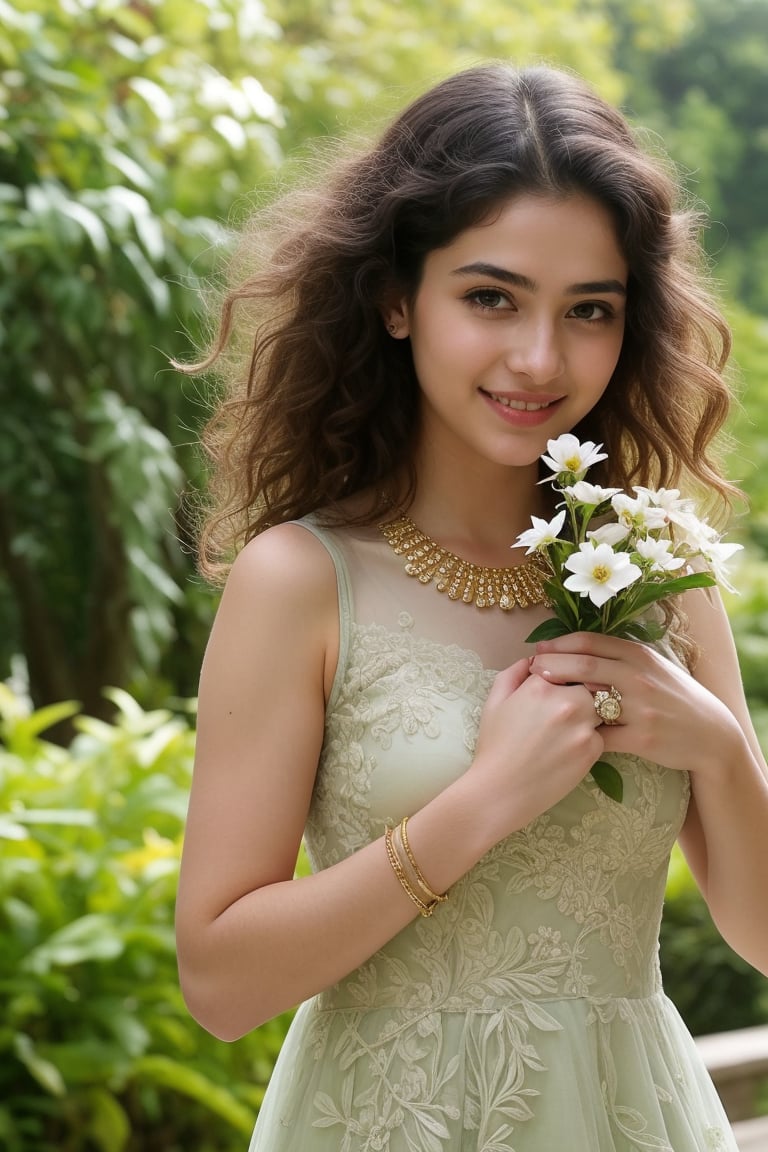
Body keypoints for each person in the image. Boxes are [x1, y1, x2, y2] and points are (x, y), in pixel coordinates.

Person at [174, 62, 768, 1151]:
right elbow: (219, 982)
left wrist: (723, 751)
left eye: (589, 310)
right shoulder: (302, 581)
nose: (539, 358)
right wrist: (485, 799)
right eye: (490, 297)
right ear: (399, 297)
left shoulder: (648, 574)